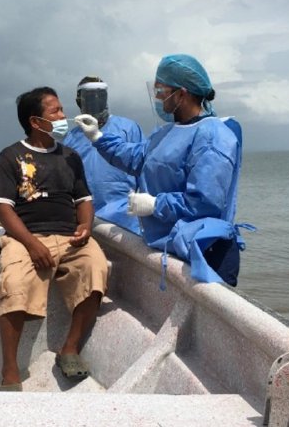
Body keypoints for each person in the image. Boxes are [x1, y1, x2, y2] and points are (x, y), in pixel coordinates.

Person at [74, 54, 249, 287]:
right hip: (172, 244)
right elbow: (136, 158)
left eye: (161, 91)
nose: (158, 98)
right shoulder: (165, 133)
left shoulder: (213, 136)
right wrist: (98, 137)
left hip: (205, 249)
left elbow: (205, 202)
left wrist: (155, 204)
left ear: (182, 93)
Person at [0, 87, 109, 391]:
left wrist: (86, 225)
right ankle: (10, 372)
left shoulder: (71, 156)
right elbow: (3, 208)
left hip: (70, 236)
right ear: (35, 121)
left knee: (96, 267)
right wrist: (31, 243)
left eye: (61, 110)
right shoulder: (9, 157)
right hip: (25, 237)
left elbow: (83, 199)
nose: (63, 116)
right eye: (55, 111)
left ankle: (69, 349)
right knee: (14, 283)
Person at [62, 76, 147, 236]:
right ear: (79, 101)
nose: (96, 102)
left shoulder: (128, 128)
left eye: (100, 96)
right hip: (86, 219)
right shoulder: (71, 138)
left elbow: (145, 167)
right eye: (90, 98)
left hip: (125, 218)